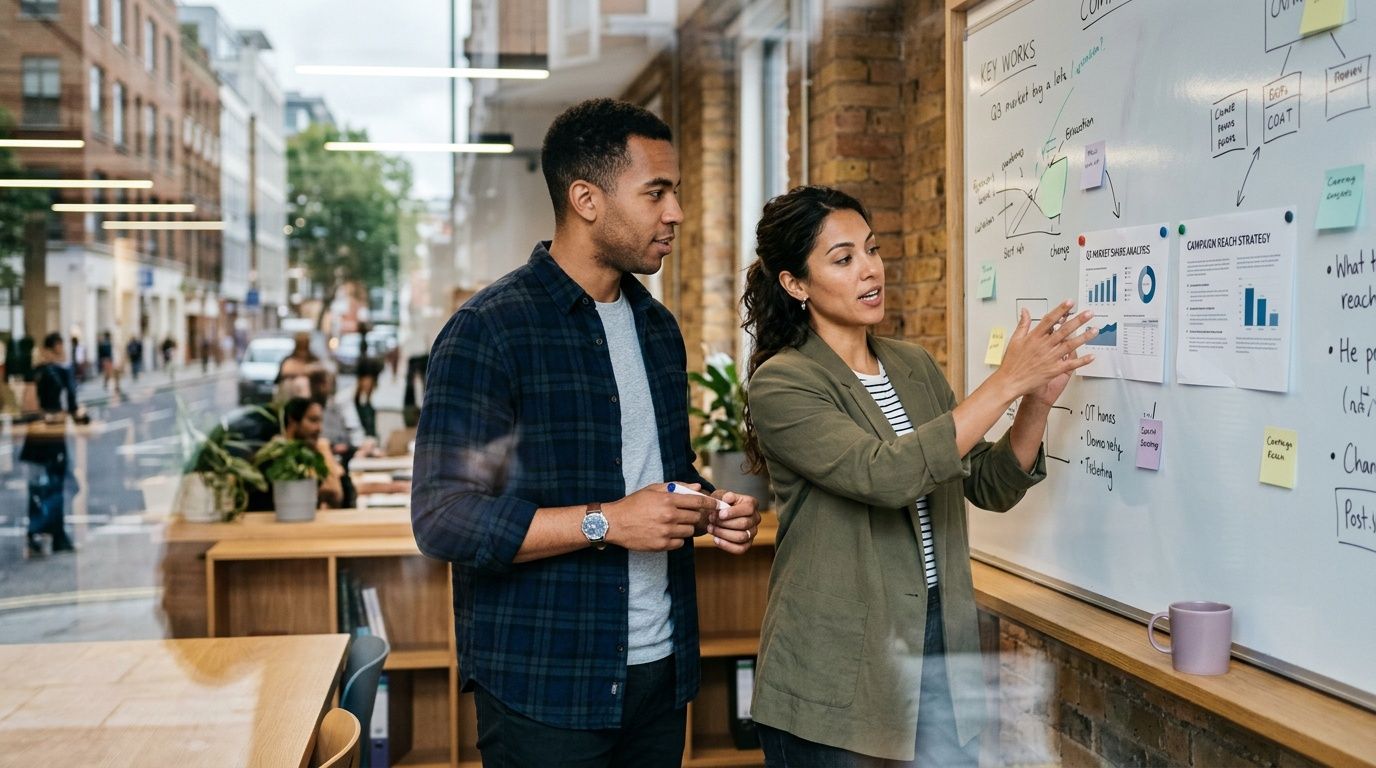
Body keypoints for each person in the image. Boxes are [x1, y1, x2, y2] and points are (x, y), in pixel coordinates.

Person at [411, 98, 763, 767]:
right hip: (547, 687)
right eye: (656, 193)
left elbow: (660, 473)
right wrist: (606, 523)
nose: (676, 214)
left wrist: (707, 504)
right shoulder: (489, 330)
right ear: (586, 199)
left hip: (659, 677)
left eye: (677, 193)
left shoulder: (657, 330)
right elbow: (443, 519)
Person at [740, 186, 1097, 766]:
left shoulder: (913, 366)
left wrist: (1034, 402)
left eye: (872, 250)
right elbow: (887, 476)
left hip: (940, 646)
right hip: (839, 668)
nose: (870, 270)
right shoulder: (784, 383)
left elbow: (987, 482)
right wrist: (1004, 381)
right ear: (795, 284)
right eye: (844, 258)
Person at [20, 332, 88, 555]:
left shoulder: (59, 372)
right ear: (53, 348)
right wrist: (51, 417)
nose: (63, 351)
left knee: (53, 487)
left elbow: (69, 406)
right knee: (44, 488)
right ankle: (40, 534)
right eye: (60, 347)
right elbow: (28, 408)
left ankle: (53, 534)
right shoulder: (40, 373)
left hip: (52, 440)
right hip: (42, 440)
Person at [277, 396, 345, 509]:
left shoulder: (316, 450)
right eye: (313, 420)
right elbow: (333, 492)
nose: (320, 428)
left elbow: (340, 494)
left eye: (320, 421)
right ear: (293, 421)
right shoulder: (277, 455)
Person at [276, 332, 320, 400]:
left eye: (304, 343)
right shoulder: (288, 360)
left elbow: (319, 373)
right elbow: (282, 375)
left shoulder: (314, 360)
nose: (303, 346)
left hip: (311, 397)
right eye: (301, 343)